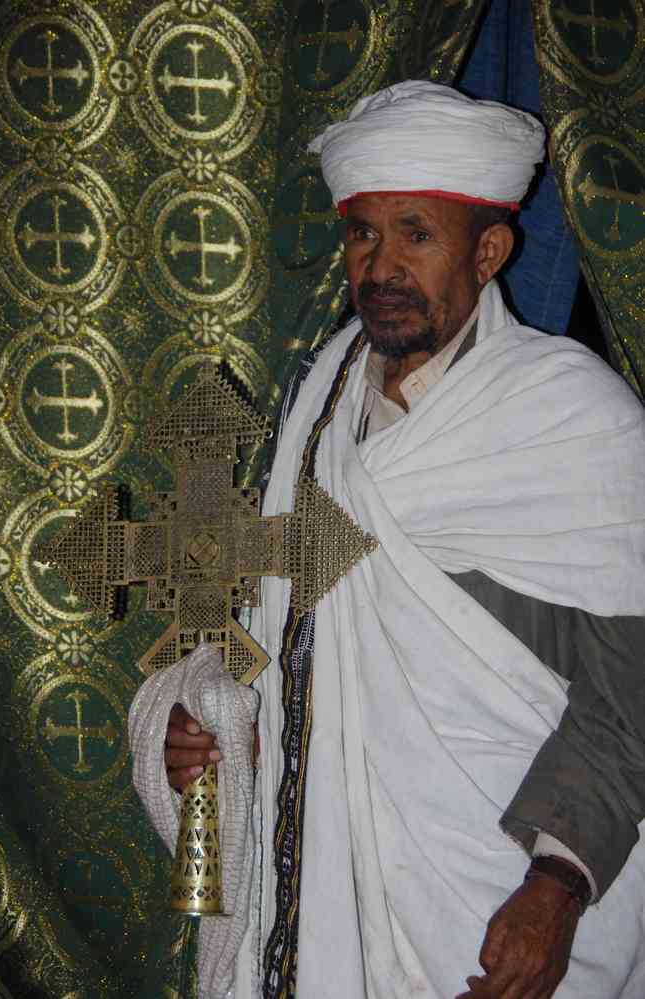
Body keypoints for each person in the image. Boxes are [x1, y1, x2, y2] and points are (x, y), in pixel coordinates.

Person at [131, 82, 645, 999]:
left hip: (501, 897)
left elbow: (629, 685)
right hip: (319, 889)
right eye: (362, 234)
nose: (381, 265)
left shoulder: (574, 419)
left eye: (416, 233)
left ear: (488, 250)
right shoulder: (315, 403)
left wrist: (556, 885)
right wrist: (209, 718)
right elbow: (274, 625)